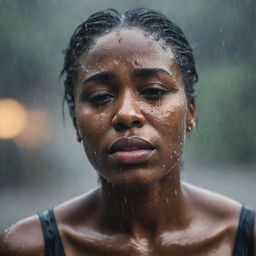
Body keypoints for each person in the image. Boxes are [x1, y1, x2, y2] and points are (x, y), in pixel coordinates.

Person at [0, 8, 255, 256]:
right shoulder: (30, 247)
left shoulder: (246, 238)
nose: (126, 114)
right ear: (76, 122)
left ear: (190, 111)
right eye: (100, 97)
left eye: (153, 91)